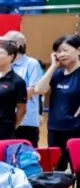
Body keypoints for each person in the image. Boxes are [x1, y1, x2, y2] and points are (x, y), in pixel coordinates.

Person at [34, 34, 80, 170]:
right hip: (55, 130)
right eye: (58, 51)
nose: (61, 54)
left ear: (78, 50)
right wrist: (53, 67)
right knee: (56, 173)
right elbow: (39, 89)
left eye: (65, 50)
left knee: (78, 170)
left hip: (76, 131)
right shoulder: (57, 74)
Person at [0, 31, 43, 146]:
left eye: (5, 43)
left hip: (26, 122)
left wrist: (5, 97)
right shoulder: (4, 64)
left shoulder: (32, 64)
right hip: (5, 120)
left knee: (25, 158)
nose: (2, 45)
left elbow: (32, 90)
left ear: (17, 45)